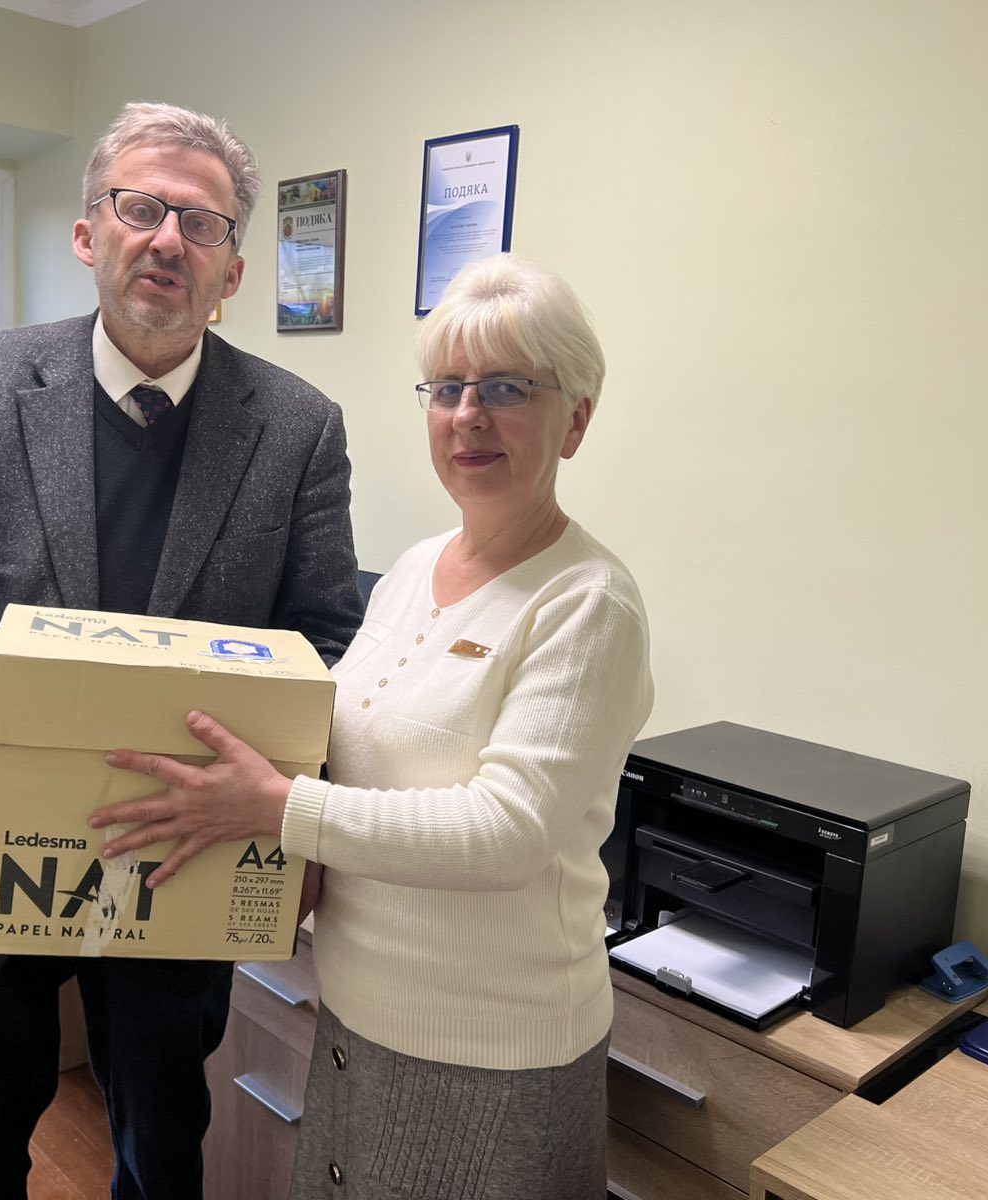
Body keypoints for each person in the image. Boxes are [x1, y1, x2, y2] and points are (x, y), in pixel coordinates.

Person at [0, 100, 363, 1200]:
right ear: (89, 233)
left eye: (200, 223)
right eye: (140, 208)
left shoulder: (298, 428)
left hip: (182, 866)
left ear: (232, 270)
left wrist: (291, 807)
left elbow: (326, 638)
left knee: (159, 1164)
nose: (168, 238)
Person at [93, 254, 655, 1199]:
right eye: (448, 388)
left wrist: (277, 810)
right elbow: (344, 753)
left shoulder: (588, 603)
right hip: (356, 1015)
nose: (468, 415)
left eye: (507, 388)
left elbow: (507, 832)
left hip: (488, 1052)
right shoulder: (412, 571)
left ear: (576, 420)